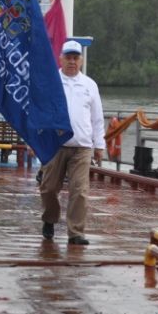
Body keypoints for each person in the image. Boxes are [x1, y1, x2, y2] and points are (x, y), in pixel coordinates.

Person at [39, 40, 105, 246]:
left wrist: (99, 145)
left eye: (75, 58)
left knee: (80, 190)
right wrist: (38, 141)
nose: (72, 61)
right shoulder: (51, 82)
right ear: (61, 59)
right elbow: (40, 113)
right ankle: (50, 218)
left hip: (82, 146)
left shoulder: (90, 85)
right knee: (48, 188)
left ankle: (75, 232)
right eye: (68, 57)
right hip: (55, 144)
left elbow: (97, 117)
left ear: (81, 60)